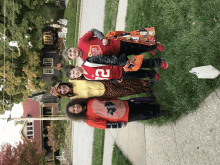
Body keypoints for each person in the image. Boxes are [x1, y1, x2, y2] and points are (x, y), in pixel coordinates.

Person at [62, 28, 164, 61]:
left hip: (116, 43)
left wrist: (102, 38)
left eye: (70, 50)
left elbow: (93, 31)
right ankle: (149, 48)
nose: (73, 53)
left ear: (72, 47)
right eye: (70, 55)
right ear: (72, 59)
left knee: (135, 43)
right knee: (135, 51)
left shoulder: (81, 41)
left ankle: (155, 44)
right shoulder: (85, 60)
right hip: (116, 55)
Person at [65, 98, 166, 129]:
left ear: (75, 103)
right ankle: (158, 113)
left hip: (122, 105)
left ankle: (156, 106)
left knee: (140, 106)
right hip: (121, 116)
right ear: (76, 114)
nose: (75, 108)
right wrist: (118, 125)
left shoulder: (89, 101)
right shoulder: (88, 119)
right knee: (142, 114)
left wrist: (119, 101)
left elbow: (105, 99)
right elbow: (104, 125)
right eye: (74, 111)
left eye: (73, 106)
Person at [64, 58, 168, 82]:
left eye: (74, 72)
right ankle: (152, 73)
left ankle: (158, 62)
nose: (76, 74)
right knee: (139, 74)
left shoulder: (88, 62)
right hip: (120, 76)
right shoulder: (87, 77)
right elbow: (103, 79)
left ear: (75, 66)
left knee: (140, 63)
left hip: (120, 66)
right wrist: (115, 80)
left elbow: (106, 59)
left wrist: (121, 63)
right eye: (74, 76)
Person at [50, 79, 156, 99]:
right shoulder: (73, 98)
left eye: (61, 87)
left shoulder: (73, 79)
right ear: (63, 94)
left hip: (103, 82)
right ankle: (146, 89)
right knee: (127, 91)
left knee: (127, 82)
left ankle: (148, 83)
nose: (63, 89)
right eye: (61, 92)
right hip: (105, 94)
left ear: (62, 84)